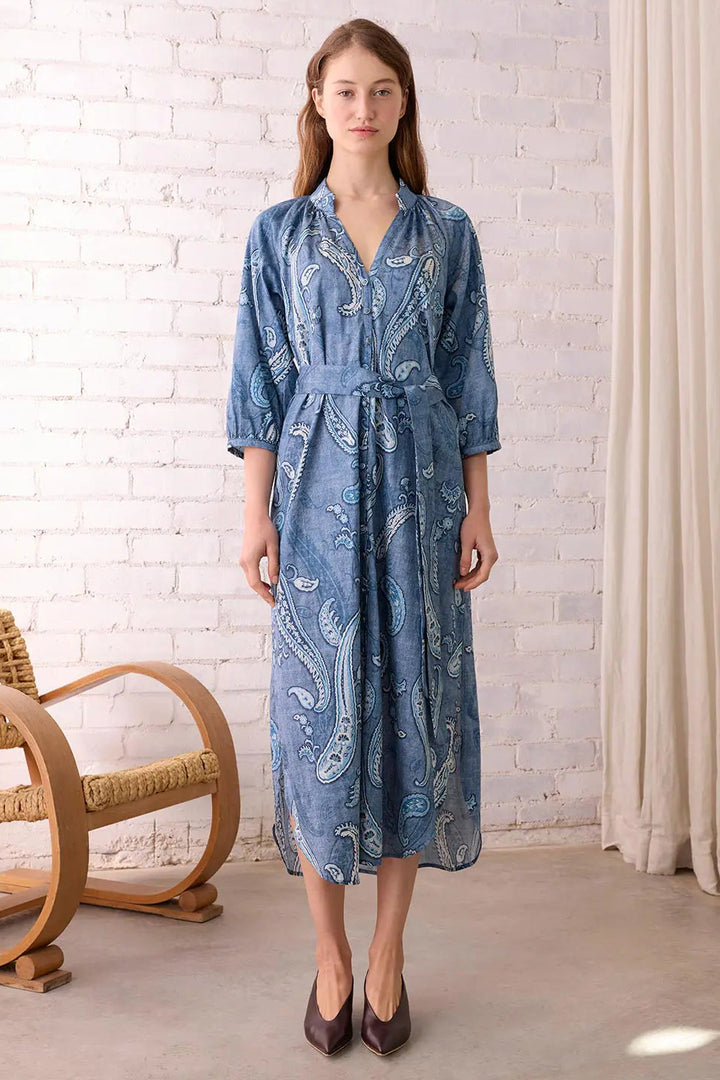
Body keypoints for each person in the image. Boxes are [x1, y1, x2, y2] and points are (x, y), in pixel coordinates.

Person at [225, 17, 501, 1057]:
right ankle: (329, 958)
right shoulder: (281, 235)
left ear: (403, 105)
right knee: (317, 725)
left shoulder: (448, 233)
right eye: (345, 90)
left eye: (382, 90)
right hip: (309, 495)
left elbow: (469, 377)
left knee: (411, 725)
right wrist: (254, 513)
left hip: (425, 497)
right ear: (318, 104)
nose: (364, 108)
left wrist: (479, 506)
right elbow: (261, 383)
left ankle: (386, 958)